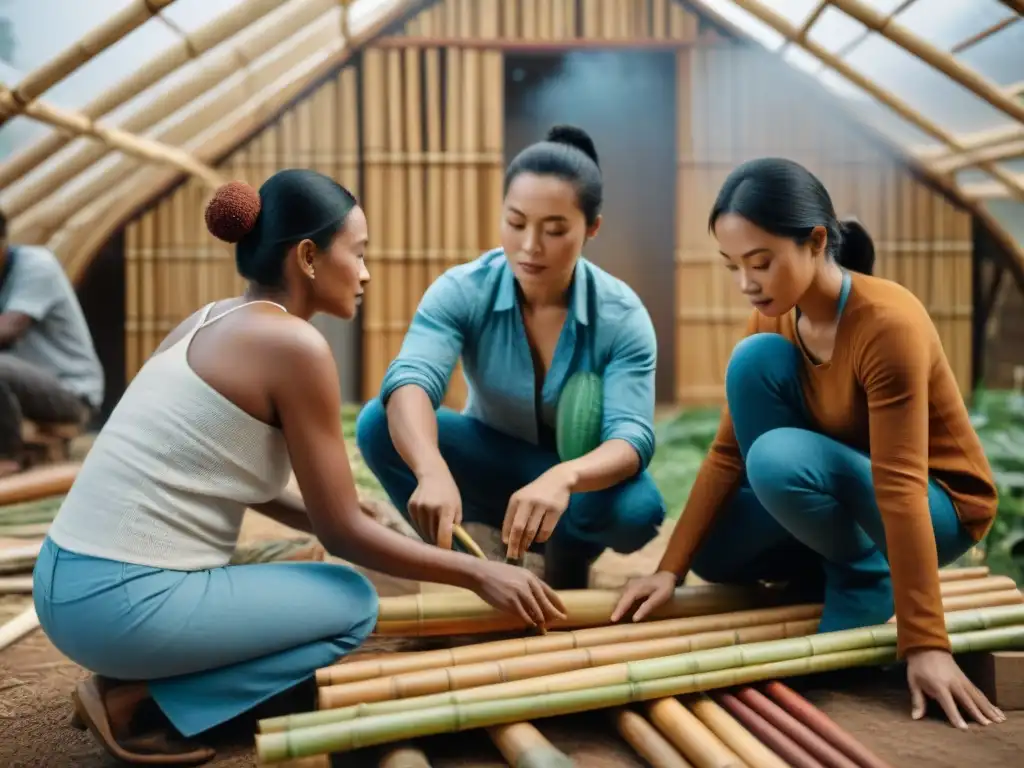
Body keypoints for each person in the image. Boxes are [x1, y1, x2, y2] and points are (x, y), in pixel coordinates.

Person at [33, 169, 566, 766]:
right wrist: (479, 575)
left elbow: (213, 468)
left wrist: (325, 516)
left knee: (314, 571)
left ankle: (140, 680)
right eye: (358, 253)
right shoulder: (295, 347)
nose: (365, 273)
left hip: (62, 584)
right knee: (350, 602)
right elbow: (343, 534)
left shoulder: (208, 319)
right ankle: (145, 699)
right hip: (119, 611)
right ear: (309, 256)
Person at [611, 157, 1004, 730]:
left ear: (816, 241)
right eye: (734, 266)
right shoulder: (771, 321)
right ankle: (839, 560)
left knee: (774, 457)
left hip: (935, 507)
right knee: (718, 551)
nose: (747, 283)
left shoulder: (887, 323)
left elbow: (897, 483)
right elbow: (726, 454)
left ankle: (867, 576)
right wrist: (670, 570)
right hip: (848, 493)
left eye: (762, 263)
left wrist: (927, 643)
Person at [356, 125, 666, 589]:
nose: (530, 246)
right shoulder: (463, 289)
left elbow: (632, 437)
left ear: (592, 228)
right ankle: (462, 560)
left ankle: (567, 557)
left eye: (555, 230)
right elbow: (412, 379)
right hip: (487, 456)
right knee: (378, 422)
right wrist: (431, 469)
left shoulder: (622, 316)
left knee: (638, 508)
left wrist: (565, 477)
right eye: (516, 222)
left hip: (572, 481)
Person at [0, 208, 104, 475]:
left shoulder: (36, 265)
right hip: (18, 392)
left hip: (71, 394)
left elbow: (9, 330)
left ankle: (5, 459)